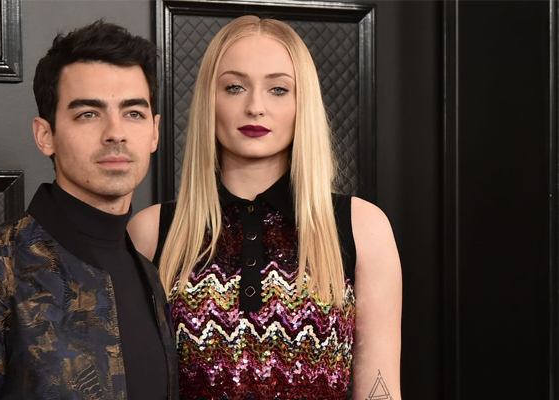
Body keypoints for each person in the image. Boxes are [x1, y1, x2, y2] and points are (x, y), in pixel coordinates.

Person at [128, 15, 401, 400]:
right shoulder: (152, 231)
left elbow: (381, 390)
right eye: (235, 87)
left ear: (301, 102)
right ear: (211, 99)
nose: (255, 107)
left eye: (278, 89)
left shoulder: (362, 227)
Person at [0, 20, 178, 399]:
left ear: (154, 132)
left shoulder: (148, 273)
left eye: (133, 113)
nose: (115, 132)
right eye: (88, 113)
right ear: (45, 135)